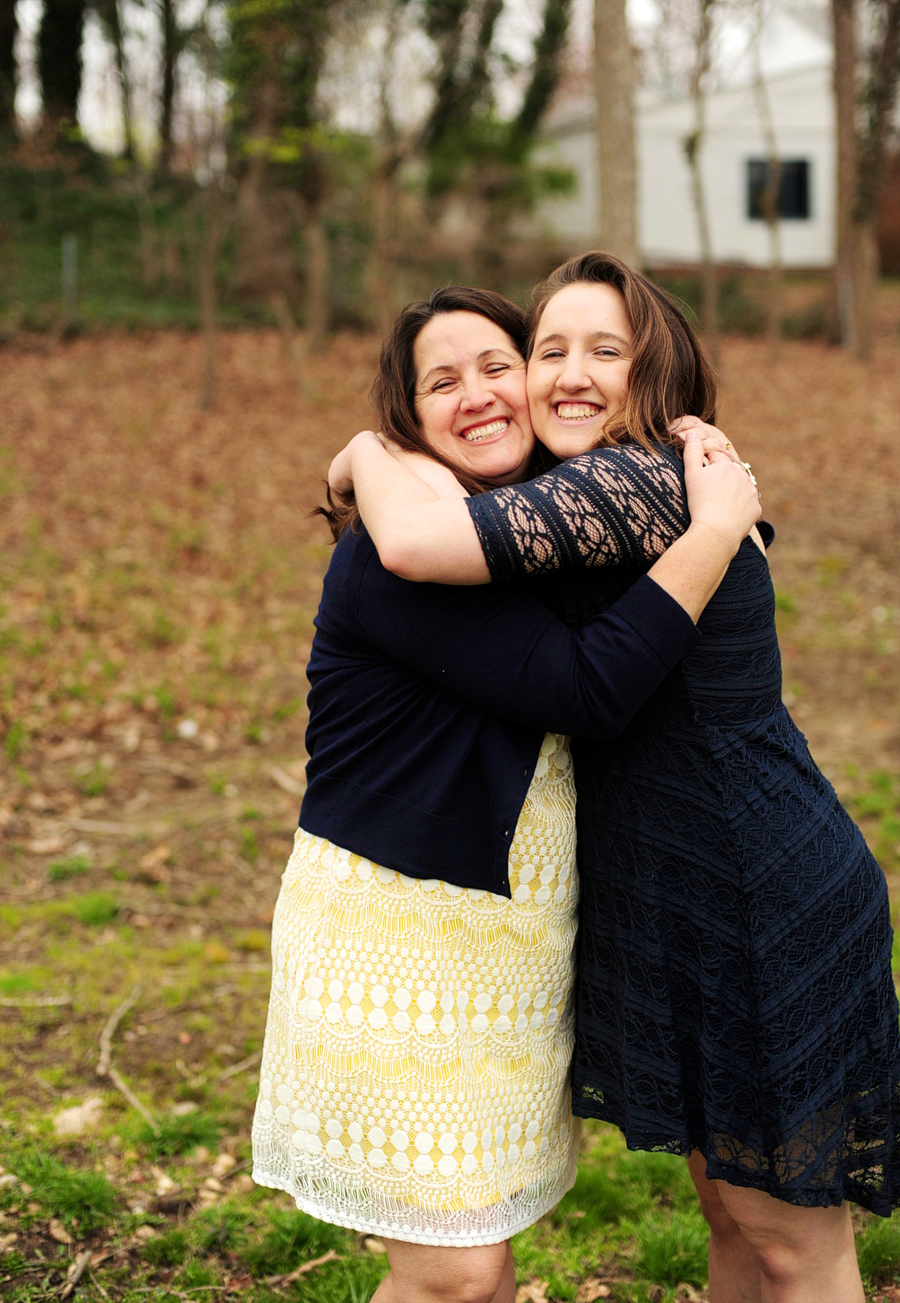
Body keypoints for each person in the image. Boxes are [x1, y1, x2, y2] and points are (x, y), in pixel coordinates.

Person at [330, 255, 900, 1303]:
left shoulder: (635, 481)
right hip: (682, 893)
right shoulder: (608, 488)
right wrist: (368, 451)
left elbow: (413, 536)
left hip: (758, 893)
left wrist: (365, 452)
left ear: (658, 374)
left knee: (796, 1246)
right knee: (735, 1220)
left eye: (607, 350)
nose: (571, 373)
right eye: (550, 349)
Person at [251, 285, 762, 1303]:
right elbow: (588, 688)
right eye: (442, 382)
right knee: (457, 1272)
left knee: (480, 1267)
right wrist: (716, 531)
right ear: (411, 417)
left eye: (497, 366)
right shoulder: (393, 563)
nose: (478, 394)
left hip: (509, 942)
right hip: (397, 931)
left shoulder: (521, 531)